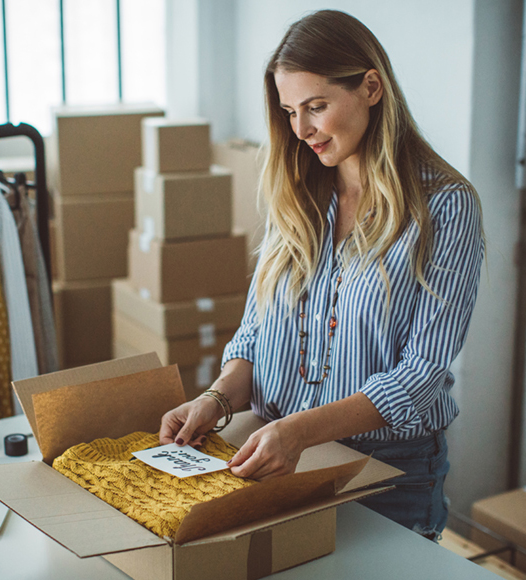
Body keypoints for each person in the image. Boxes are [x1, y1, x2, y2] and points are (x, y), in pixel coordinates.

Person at [156, 9, 484, 542]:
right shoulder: (299, 194)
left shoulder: (445, 207)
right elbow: (257, 332)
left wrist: (298, 431)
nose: (301, 129)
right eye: (290, 111)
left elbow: (420, 374)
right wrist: (214, 400)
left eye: (316, 107)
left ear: (371, 87)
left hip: (387, 476)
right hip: (279, 457)